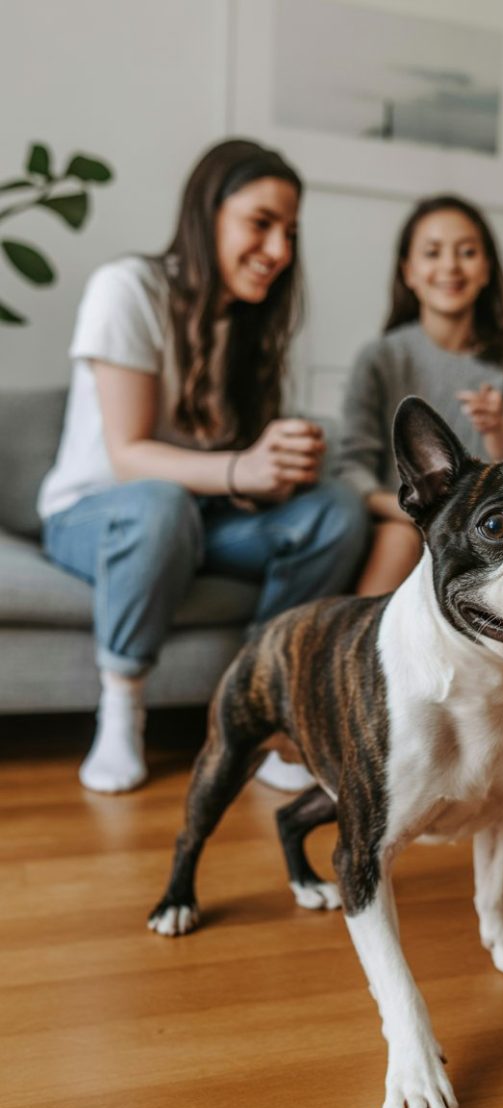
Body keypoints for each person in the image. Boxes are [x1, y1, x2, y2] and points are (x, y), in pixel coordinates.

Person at [38, 139, 368, 795]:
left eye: (290, 233)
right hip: (99, 513)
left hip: (201, 515)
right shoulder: (127, 289)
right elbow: (129, 456)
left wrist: (278, 465)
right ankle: (122, 705)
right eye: (261, 224)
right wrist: (242, 470)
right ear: (206, 214)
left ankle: (266, 705)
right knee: (160, 502)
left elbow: (235, 469)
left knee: (335, 509)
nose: (278, 251)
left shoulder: (252, 324)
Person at [336, 194, 503, 595]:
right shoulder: (381, 359)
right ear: (409, 272)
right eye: (433, 253)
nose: (450, 266)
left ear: (486, 269)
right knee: (401, 540)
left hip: (490, 530)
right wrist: (411, 513)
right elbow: (351, 470)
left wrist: (498, 434)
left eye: (467, 252)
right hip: (399, 526)